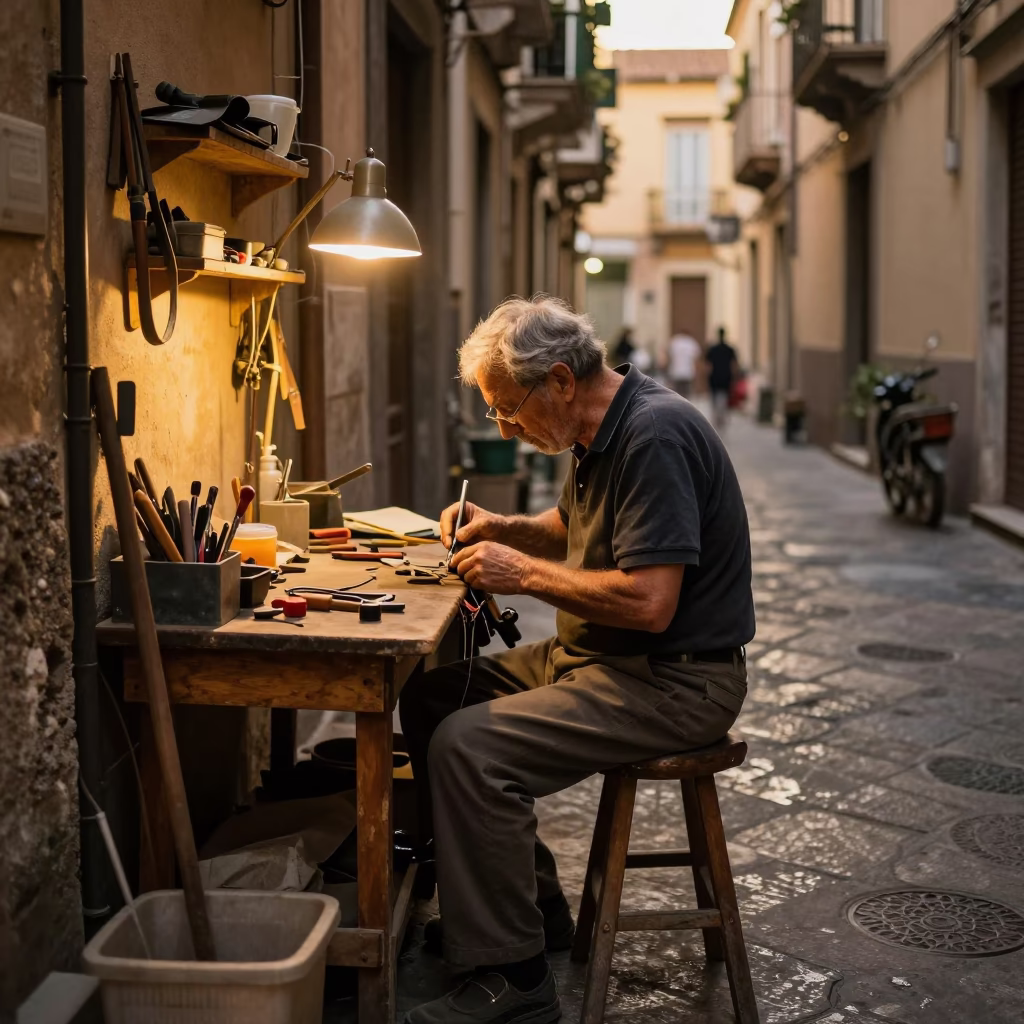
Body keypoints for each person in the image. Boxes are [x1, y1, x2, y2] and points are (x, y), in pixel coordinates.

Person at [399, 295, 754, 1024]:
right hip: (601, 657)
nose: (504, 427)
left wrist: (518, 573)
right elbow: (572, 527)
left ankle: (513, 979)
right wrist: (504, 528)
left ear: (560, 380)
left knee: (470, 748)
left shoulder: (654, 436)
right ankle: (527, 911)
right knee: (441, 697)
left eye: (508, 409)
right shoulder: (596, 427)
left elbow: (651, 602)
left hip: (676, 678)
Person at [705, 327, 740, 431]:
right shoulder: (729, 349)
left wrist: (707, 376)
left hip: (714, 376)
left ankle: (716, 418)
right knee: (724, 397)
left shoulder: (712, 348)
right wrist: (735, 377)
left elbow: (708, 365)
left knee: (714, 398)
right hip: (726, 376)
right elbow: (734, 364)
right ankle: (722, 417)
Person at [664, 329, 702, 398]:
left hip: (676, 371)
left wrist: (667, 368)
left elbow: (668, 356)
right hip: (688, 372)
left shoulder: (674, 341)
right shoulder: (691, 342)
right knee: (686, 393)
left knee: (676, 393)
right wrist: (697, 376)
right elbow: (696, 359)